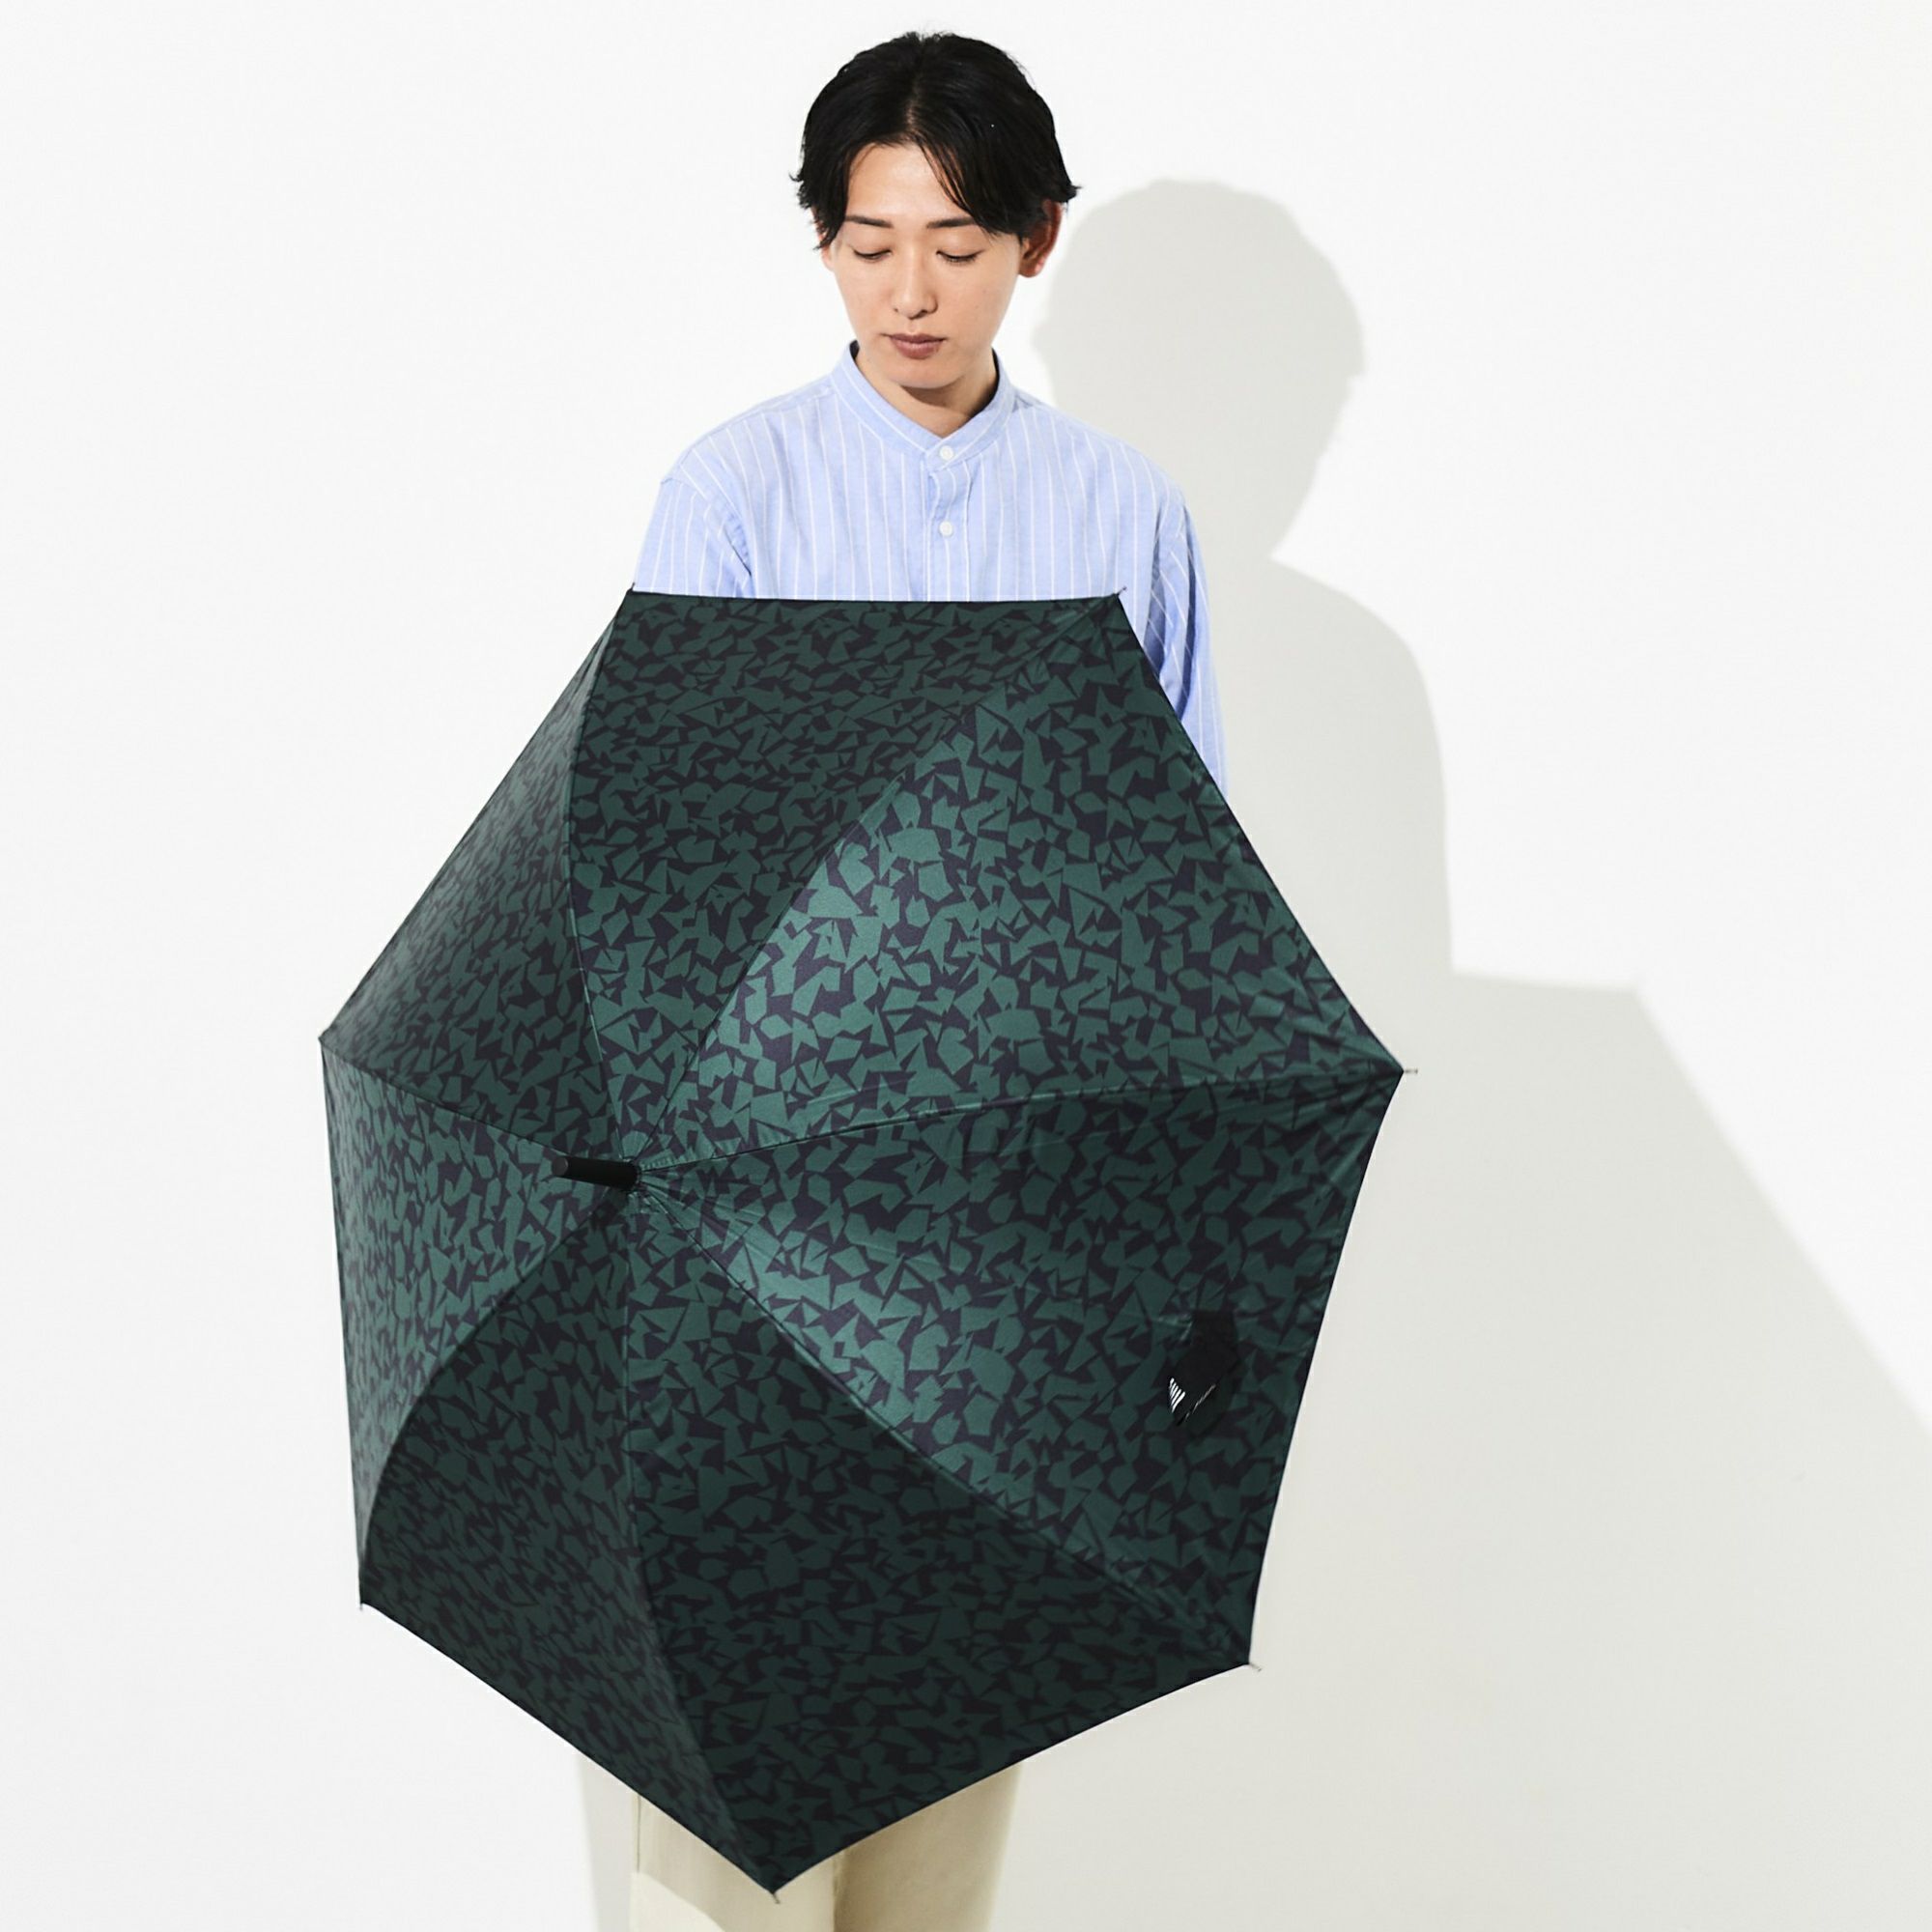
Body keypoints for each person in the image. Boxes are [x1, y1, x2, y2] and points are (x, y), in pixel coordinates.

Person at [621, 29, 1231, 1932]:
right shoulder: (733, 497)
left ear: (1035, 241)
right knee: (729, 1812)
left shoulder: (1126, 520)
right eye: (870, 243)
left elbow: (1186, 907)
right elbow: (654, 865)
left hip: (1007, 1234)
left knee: (942, 1796)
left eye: (958, 245)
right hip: (755, 1216)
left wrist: (1153, 1237)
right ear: (821, 244)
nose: (911, 292)